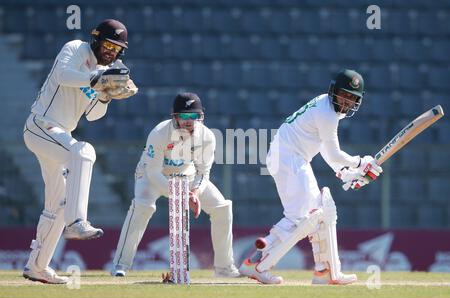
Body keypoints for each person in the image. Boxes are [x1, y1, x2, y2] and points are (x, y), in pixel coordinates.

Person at [239, 69, 383, 284]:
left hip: (289, 157)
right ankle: (259, 265)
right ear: (333, 91)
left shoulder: (327, 107)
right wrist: (360, 163)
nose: (346, 101)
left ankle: (324, 272)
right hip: (290, 158)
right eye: (344, 95)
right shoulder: (327, 113)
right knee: (305, 218)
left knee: (321, 213)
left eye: (352, 98)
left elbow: (325, 147)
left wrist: (344, 171)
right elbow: (334, 152)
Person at [22, 19, 137, 284]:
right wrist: (98, 79)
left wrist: (107, 94)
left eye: (116, 48)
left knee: (58, 204)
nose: (111, 51)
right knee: (83, 152)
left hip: (60, 135)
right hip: (40, 125)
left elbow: (93, 114)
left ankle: (37, 267)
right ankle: (78, 222)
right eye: (108, 44)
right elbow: (63, 75)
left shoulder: (103, 70)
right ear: (96, 40)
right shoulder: (75, 48)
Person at [111, 92, 240, 278]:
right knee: (143, 206)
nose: (189, 121)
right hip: (153, 177)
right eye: (184, 116)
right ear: (175, 116)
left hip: (187, 178)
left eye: (194, 116)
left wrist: (194, 192)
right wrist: (179, 194)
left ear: (201, 117)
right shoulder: (159, 133)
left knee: (222, 207)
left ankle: (224, 268)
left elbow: (203, 173)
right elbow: (153, 172)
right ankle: (120, 265)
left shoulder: (207, 137)